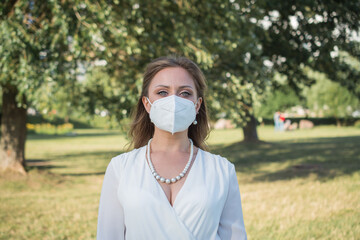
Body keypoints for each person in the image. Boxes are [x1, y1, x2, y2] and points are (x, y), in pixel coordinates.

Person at [97, 56, 247, 240]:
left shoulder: (223, 170)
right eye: (162, 92)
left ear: (197, 105)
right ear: (146, 104)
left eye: (185, 93)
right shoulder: (120, 168)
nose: (174, 101)